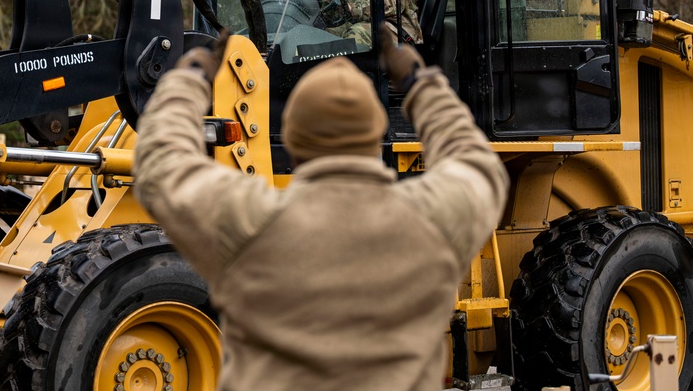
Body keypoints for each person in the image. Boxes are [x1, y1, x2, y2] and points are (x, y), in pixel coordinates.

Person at [132, 25, 508, 391]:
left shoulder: (250, 222)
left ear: (294, 139)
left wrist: (189, 81)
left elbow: (162, 162)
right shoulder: (430, 221)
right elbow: (477, 163)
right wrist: (421, 85)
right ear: (375, 132)